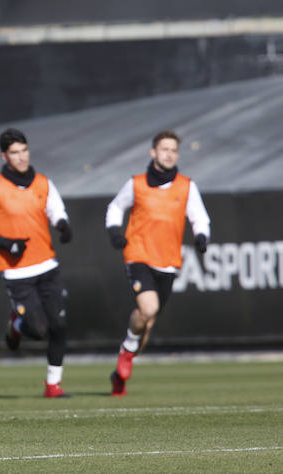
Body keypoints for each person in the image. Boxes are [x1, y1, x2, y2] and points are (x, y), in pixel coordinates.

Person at [0, 128, 73, 398]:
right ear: (5, 156)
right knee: (38, 331)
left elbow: (56, 209)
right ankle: (16, 324)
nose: (21, 157)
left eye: (24, 150)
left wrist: (62, 224)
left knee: (59, 325)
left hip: (47, 264)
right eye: (14, 152)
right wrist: (5, 242)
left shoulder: (43, 183)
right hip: (17, 271)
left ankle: (53, 385)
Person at [105, 130, 210, 396]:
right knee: (148, 307)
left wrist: (201, 236)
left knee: (146, 324)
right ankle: (127, 351)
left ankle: (120, 371)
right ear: (153, 152)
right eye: (164, 149)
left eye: (173, 150)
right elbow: (115, 207)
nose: (169, 154)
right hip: (139, 255)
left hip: (168, 263)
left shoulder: (186, 186)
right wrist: (115, 232)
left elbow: (200, 217)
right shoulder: (137, 183)